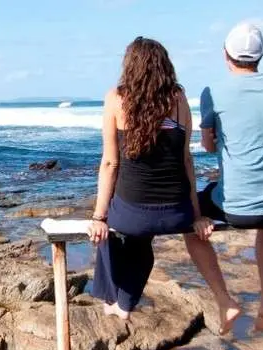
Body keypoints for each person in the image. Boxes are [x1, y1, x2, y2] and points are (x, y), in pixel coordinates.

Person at [86, 37, 241, 331]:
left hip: (133, 215)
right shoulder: (179, 98)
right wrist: (195, 216)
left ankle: (117, 301)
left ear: (129, 66)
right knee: (139, 232)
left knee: (113, 226)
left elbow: (110, 163)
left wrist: (97, 216)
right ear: (164, 66)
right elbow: (186, 161)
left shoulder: (116, 98)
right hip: (177, 213)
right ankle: (122, 304)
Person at [195, 23, 263, 333]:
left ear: (225, 55)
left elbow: (208, 145)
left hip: (238, 206)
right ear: (261, 55)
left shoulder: (212, 92)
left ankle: (224, 300)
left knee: (190, 220)